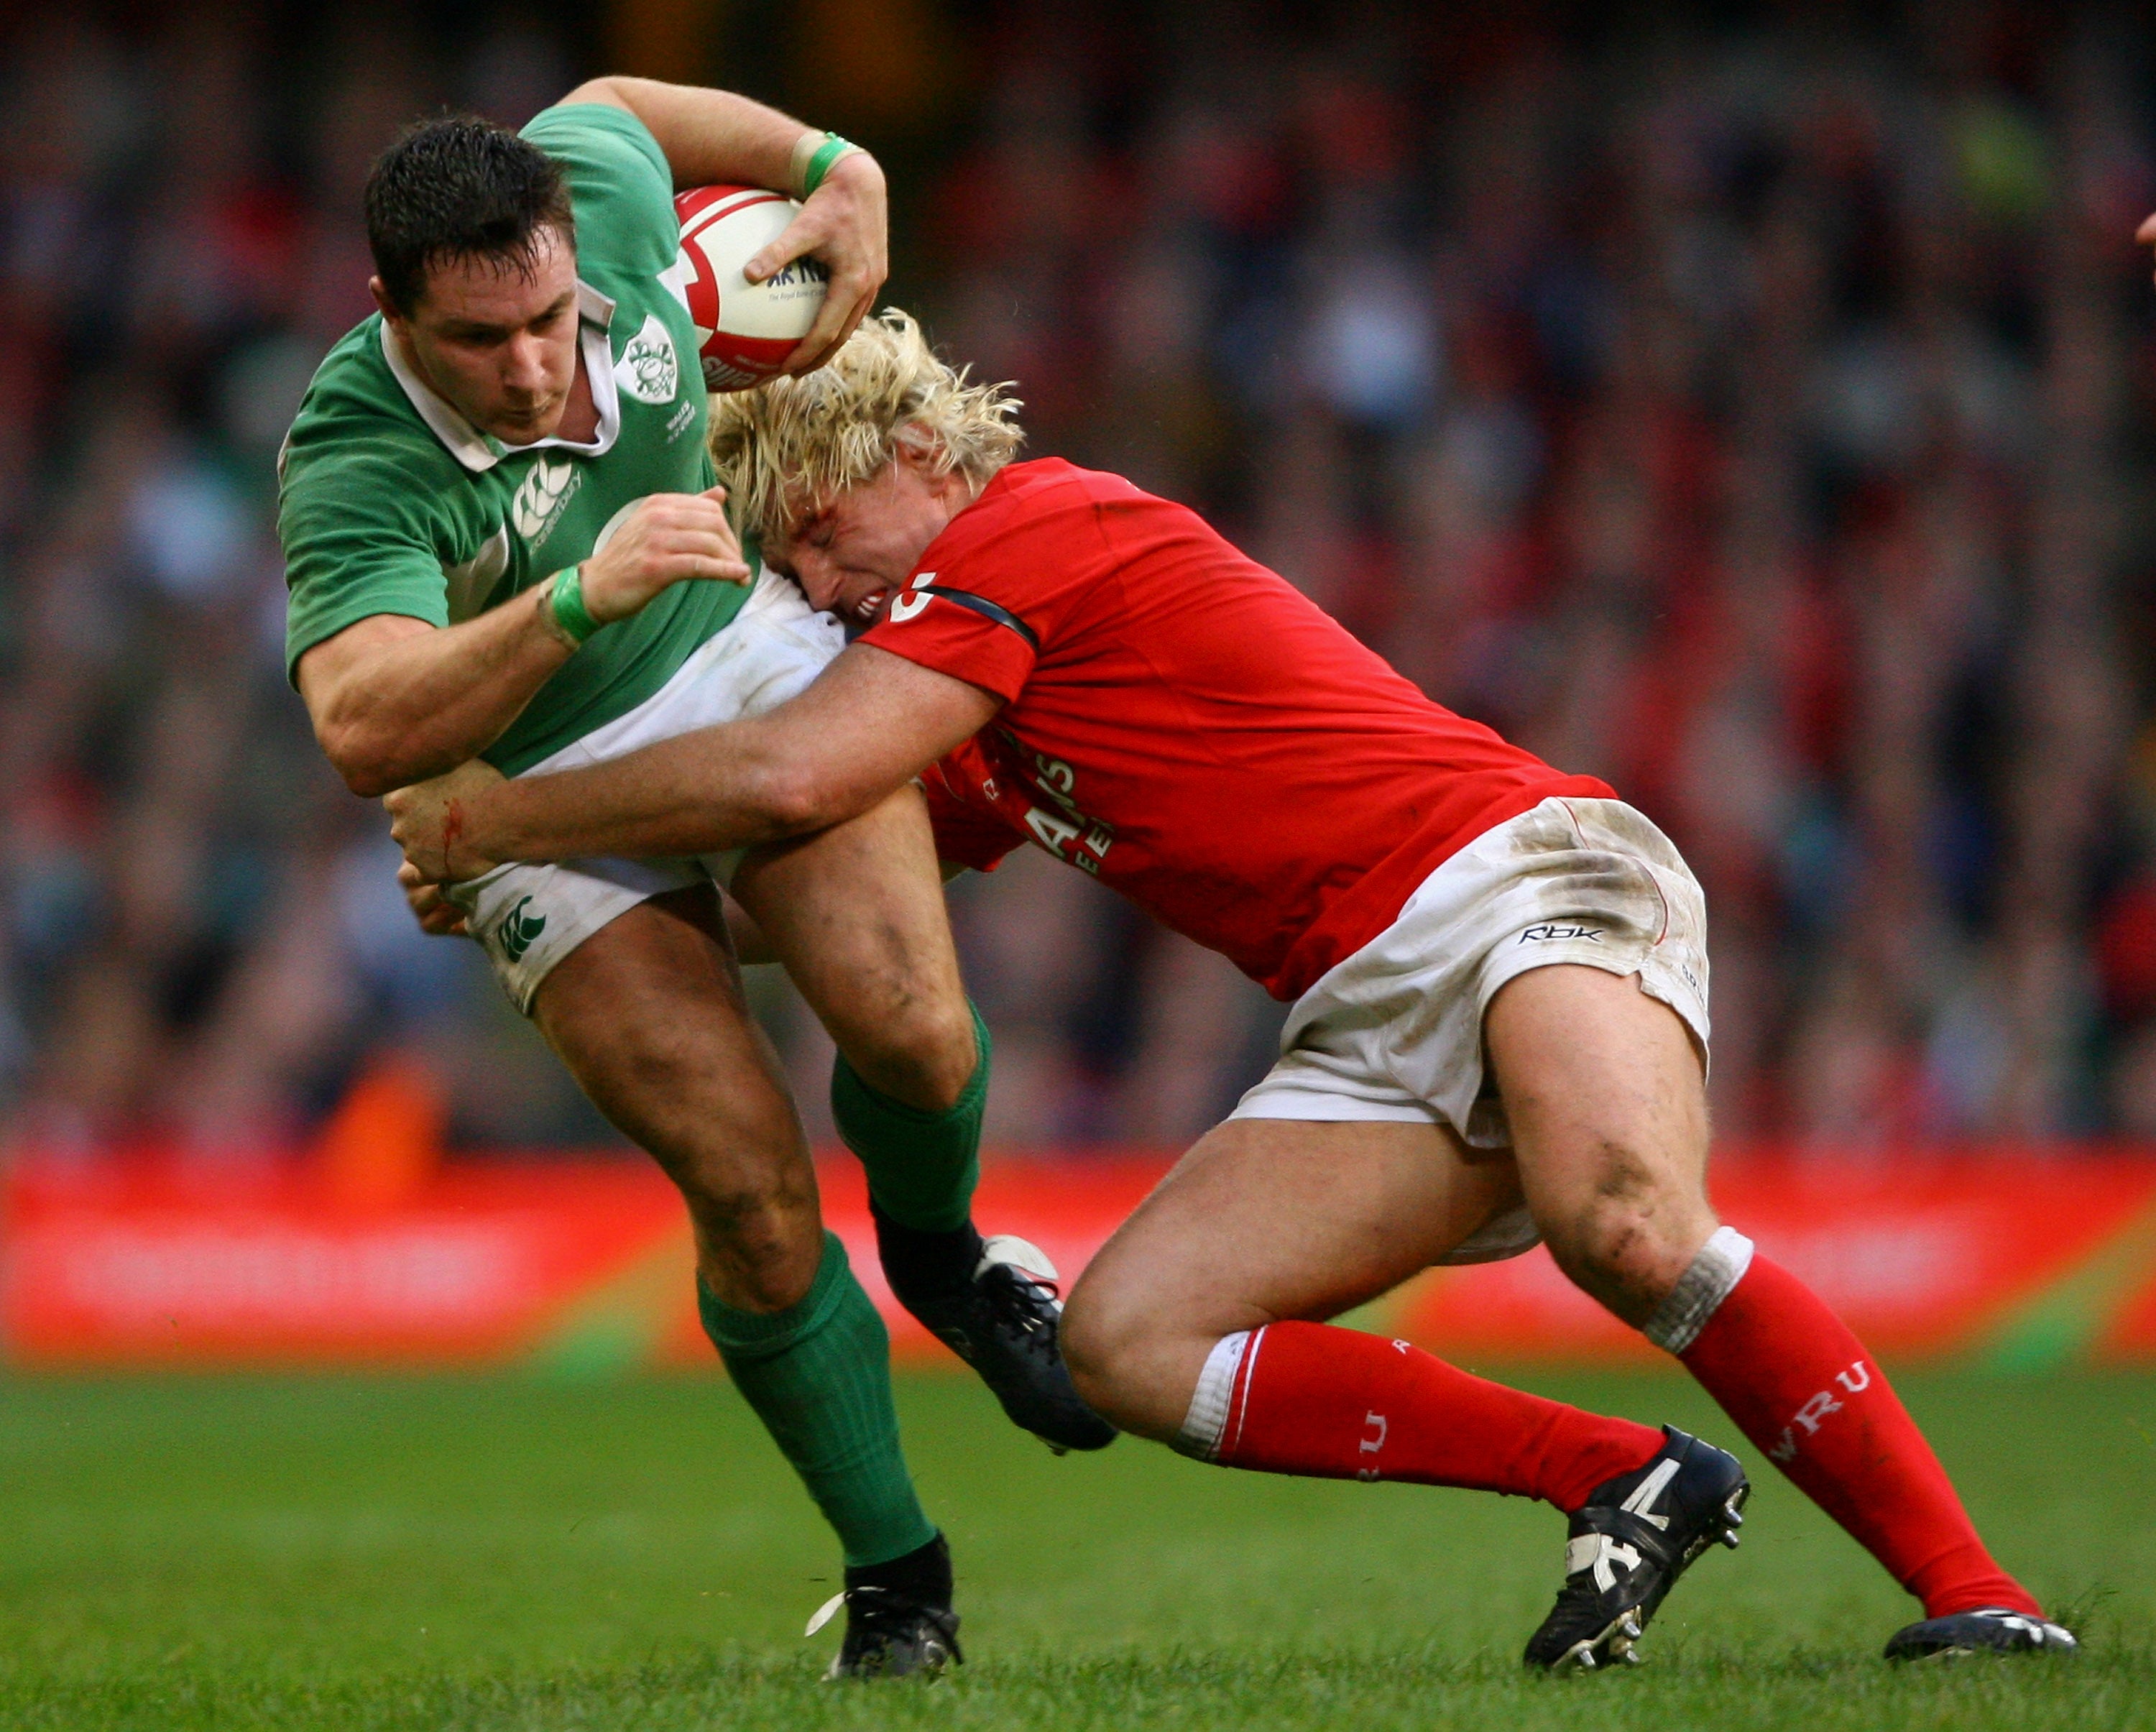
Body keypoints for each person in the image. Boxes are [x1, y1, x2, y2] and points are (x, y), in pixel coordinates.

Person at [385, 310, 2076, 1669]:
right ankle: (1618, 1474)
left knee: (1621, 1218)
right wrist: (551, 901)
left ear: (910, 452)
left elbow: (784, 778)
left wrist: (499, 820)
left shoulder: (1032, 523)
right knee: (1127, 1344)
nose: (819, 589)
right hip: (1365, 1001)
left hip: (1524, 874)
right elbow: (805, 886)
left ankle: (1978, 1591)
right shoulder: (955, 684)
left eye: (820, 536)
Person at [281, 93, 1110, 1683]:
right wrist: (577, 599)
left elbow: (611, 107)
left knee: (917, 1034)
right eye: (480, 340)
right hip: (534, 804)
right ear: (389, 312)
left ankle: (944, 1258)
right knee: (744, 1182)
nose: (534, 364)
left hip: (736, 658)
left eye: (549, 315)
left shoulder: (593, 185)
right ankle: (899, 1580)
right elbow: (360, 722)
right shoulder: (350, 456)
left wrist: (834, 167)